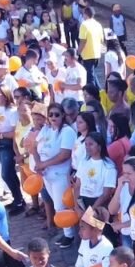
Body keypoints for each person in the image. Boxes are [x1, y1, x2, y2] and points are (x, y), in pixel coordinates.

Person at [32, 102, 78, 248]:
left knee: (60, 206)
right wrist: (38, 164)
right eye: (50, 114)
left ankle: (69, 235)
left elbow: (64, 154)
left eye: (56, 114)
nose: (53, 117)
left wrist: (43, 164)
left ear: (63, 115)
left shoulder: (67, 131)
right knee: (56, 203)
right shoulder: (46, 129)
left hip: (61, 174)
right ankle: (67, 231)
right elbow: (34, 147)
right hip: (47, 175)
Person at [78, 6, 104, 88]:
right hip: (96, 54)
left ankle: (94, 93)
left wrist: (78, 52)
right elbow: (102, 40)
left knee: (90, 78)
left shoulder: (84, 24)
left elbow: (83, 41)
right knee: (92, 74)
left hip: (87, 55)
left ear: (85, 14)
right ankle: (100, 90)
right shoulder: (98, 24)